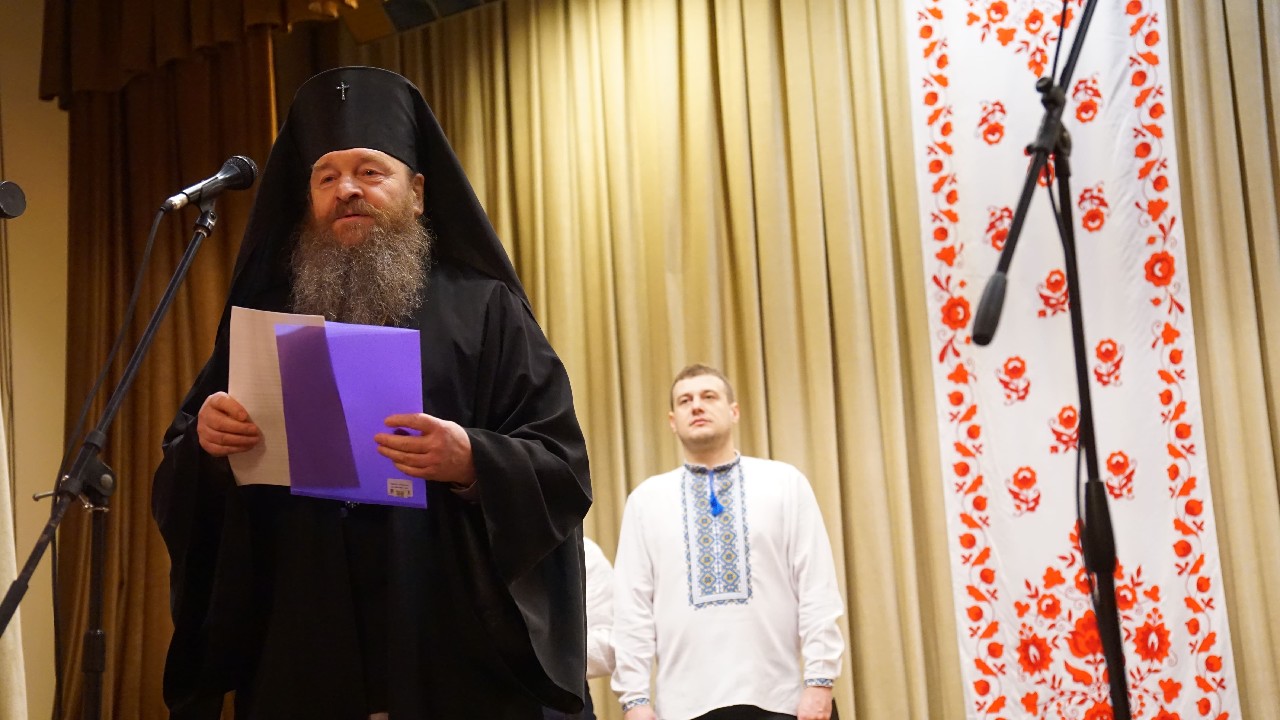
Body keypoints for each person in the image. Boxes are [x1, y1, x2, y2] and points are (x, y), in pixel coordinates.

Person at [151, 66, 593, 719]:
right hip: (302, 645)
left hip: (449, 647)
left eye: (369, 172)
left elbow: (561, 465)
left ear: (417, 193)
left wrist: (472, 460)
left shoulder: (485, 310)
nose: (347, 190)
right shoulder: (267, 313)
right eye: (326, 177)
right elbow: (184, 474)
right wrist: (208, 446)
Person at [611, 365, 845, 720]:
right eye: (685, 401)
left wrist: (820, 681)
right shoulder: (645, 501)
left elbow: (816, 586)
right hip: (684, 707)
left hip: (779, 699)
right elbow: (632, 610)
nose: (697, 406)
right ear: (672, 421)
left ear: (734, 411)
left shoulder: (784, 483)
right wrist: (635, 700)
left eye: (709, 396)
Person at [544, 535, 616, 720]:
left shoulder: (584, 551)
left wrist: (542, 654)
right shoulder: (480, 552)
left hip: (562, 702)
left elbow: (608, 644)